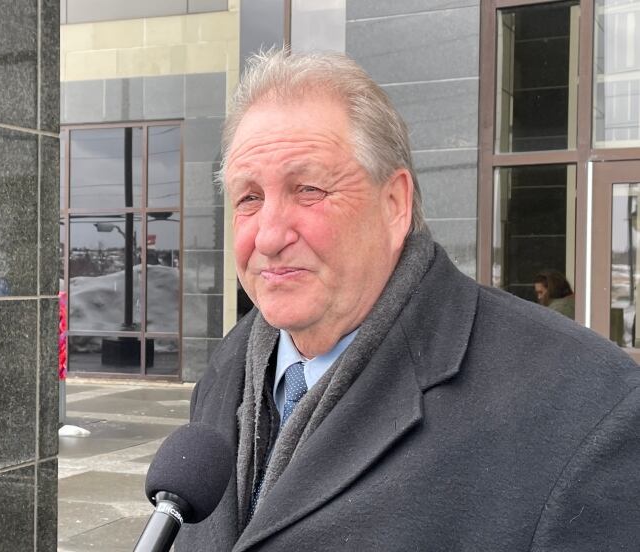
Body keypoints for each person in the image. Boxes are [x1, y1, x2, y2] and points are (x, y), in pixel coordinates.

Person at [177, 49, 640, 551]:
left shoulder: (588, 406)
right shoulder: (227, 369)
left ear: (394, 204)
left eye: (307, 189)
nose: (268, 236)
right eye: (249, 197)